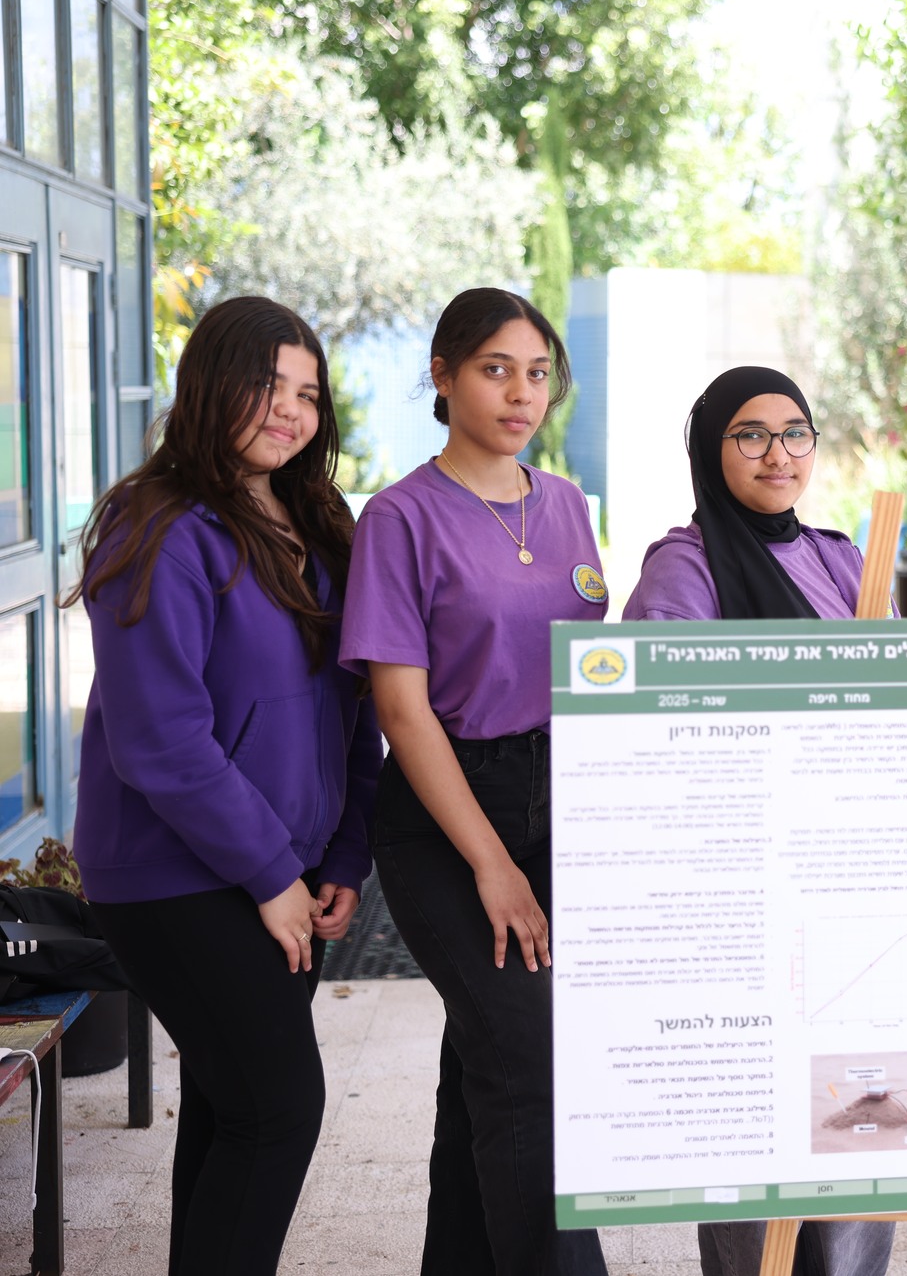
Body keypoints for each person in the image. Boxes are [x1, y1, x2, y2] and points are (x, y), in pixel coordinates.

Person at [71, 295, 378, 1275]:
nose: (291, 410)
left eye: (309, 394)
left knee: (229, 1106)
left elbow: (353, 703)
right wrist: (271, 874)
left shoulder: (317, 520)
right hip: (174, 876)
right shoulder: (156, 527)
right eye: (267, 385)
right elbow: (161, 740)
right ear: (210, 385)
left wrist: (341, 854)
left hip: (285, 869)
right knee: (279, 1111)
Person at [341, 288, 609, 1276]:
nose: (521, 393)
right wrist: (493, 864)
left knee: (488, 1062)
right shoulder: (400, 518)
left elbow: (593, 671)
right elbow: (401, 712)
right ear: (444, 377)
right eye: (496, 369)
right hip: (447, 813)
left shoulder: (565, 504)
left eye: (537, 373)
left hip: (559, 798)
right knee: (531, 1067)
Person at [622, 365, 895, 1276]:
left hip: (853, 885)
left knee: (861, 1118)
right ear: (711, 448)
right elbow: (661, 735)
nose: (778, 453)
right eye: (750, 434)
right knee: (750, 1133)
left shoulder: (845, 558)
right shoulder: (683, 568)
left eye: (795, 432)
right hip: (741, 895)